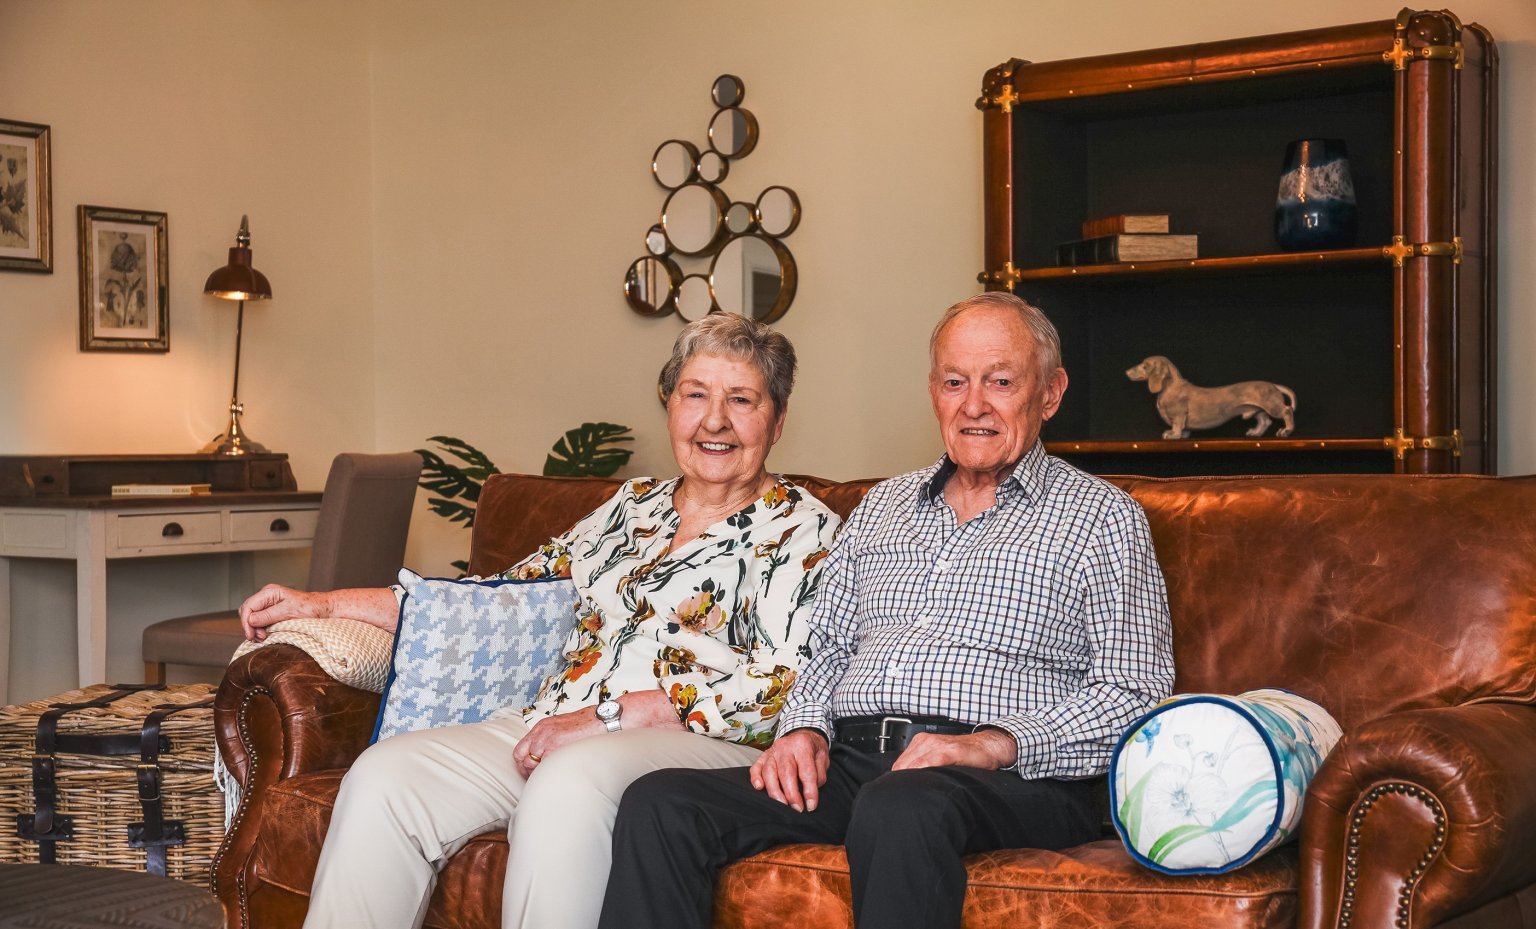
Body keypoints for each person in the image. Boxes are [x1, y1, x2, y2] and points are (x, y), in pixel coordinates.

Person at [237, 312, 841, 929]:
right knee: (386, 777)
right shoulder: (631, 507)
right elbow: (498, 598)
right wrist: (325, 604)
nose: (714, 420)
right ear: (670, 406)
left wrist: (613, 716)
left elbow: (790, 683)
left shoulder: (806, 531)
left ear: (777, 421)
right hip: (552, 724)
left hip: (695, 744)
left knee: (568, 782)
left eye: (741, 399)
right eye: (695, 395)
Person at [597, 292, 1175, 929]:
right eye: (954, 382)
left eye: (1001, 382)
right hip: (857, 764)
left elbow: (1135, 693)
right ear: (933, 392)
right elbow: (826, 646)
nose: (974, 404)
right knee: (662, 802)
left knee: (902, 805)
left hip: (1009, 778)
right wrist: (803, 730)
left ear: (1051, 393)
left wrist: (994, 744)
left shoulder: (1102, 518)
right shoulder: (883, 507)